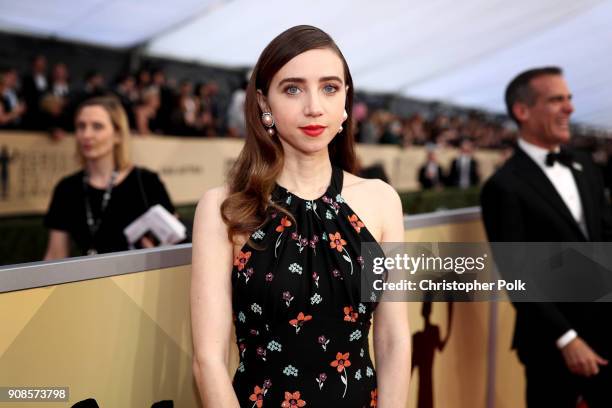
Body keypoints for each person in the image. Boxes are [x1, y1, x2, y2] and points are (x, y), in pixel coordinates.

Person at [191, 25, 410, 407]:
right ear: (263, 102)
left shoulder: (381, 200)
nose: (314, 107)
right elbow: (208, 360)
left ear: (345, 100)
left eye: (329, 87)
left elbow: (393, 338)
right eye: (293, 88)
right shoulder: (224, 208)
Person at [481, 67, 612, 407]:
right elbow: (517, 274)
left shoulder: (586, 167)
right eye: (556, 100)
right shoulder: (503, 187)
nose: (569, 108)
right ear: (522, 111)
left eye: (569, 99)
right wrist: (567, 338)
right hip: (551, 344)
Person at [43, 96, 175, 259]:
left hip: (141, 280)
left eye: (97, 126)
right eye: (81, 126)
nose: (86, 134)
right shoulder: (67, 188)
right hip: (88, 282)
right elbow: (55, 255)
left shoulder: (147, 182)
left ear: (118, 134)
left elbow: (174, 242)